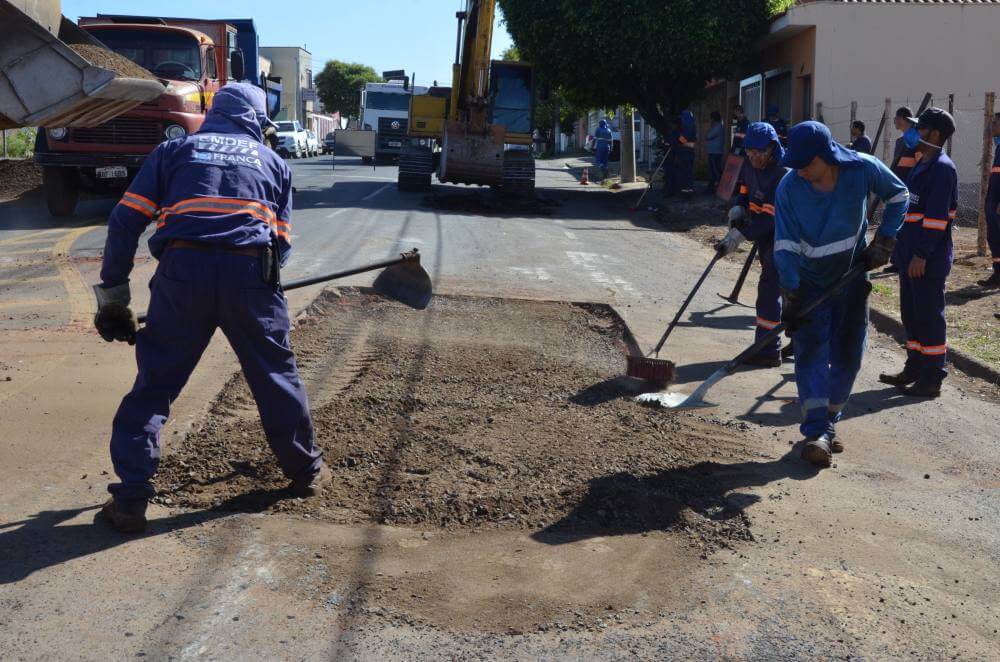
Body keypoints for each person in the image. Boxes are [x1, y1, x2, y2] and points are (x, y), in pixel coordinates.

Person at [92, 83, 331, 533]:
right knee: (276, 376)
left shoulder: (173, 152)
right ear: (258, 122)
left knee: (155, 384)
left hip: (182, 275)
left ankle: (130, 499)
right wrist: (254, 285)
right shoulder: (275, 163)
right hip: (250, 274)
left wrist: (114, 298)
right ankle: (306, 473)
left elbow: (125, 221)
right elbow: (280, 244)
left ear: (214, 114)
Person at [774, 121, 908, 467]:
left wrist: (885, 240)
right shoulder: (790, 188)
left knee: (850, 356)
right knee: (811, 355)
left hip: (851, 279)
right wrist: (791, 293)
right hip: (810, 284)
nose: (801, 171)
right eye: (796, 165)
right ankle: (815, 431)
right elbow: (786, 245)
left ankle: (830, 424)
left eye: (806, 164)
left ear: (826, 155)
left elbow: (899, 195)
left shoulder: (861, 169)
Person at [878, 108, 958, 399]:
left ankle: (932, 377)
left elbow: (936, 219)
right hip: (909, 252)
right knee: (911, 314)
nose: (914, 132)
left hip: (926, 257)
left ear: (934, 134)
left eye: (919, 128)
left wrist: (921, 254)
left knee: (928, 316)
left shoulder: (942, 168)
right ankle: (915, 366)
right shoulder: (923, 163)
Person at [716, 122, 789, 367]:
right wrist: (739, 208)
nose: (755, 157)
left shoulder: (782, 174)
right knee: (779, 292)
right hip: (766, 236)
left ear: (772, 148)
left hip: (785, 238)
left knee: (770, 293)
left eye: (760, 152)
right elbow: (745, 191)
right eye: (750, 152)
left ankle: (769, 351)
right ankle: (786, 345)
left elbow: (769, 218)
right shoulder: (749, 165)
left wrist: (739, 236)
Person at [977, 112, 1000, 288]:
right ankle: (998, 273)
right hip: (993, 201)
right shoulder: (999, 148)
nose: (992, 126)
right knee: (994, 238)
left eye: (995, 123)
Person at [676, 109, 697, 198]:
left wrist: (678, 139)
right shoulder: (692, 125)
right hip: (689, 153)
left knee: (685, 172)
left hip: (686, 153)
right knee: (688, 172)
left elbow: (685, 141)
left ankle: (686, 191)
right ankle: (688, 190)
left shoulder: (686, 127)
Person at [705, 111, 725, 194]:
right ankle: (712, 187)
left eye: (711, 118)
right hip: (714, 151)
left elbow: (708, 136)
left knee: (715, 170)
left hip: (715, 152)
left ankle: (720, 187)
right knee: (714, 170)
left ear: (713, 118)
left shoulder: (717, 127)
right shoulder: (718, 126)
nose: (710, 120)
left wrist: (708, 132)